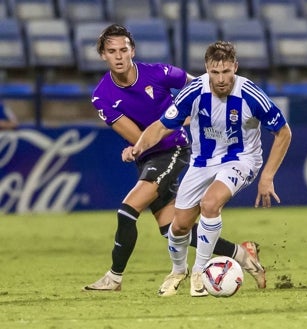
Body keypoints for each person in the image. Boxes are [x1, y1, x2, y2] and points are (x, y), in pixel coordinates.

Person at [82, 25, 266, 292]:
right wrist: (135, 148)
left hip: (174, 148)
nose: (119, 56)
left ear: (132, 50)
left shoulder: (159, 73)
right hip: (148, 155)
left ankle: (114, 278)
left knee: (127, 211)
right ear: (103, 56)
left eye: (124, 49)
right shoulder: (102, 96)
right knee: (174, 229)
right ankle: (242, 254)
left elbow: (202, 88)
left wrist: (192, 117)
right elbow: (137, 136)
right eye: (112, 51)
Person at [127, 41, 292, 297]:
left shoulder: (250, 93)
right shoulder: (194, 91)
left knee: (210, 203)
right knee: (179, 226)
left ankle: (200, 272)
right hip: (202, 161)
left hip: (241, 159)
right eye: (215, 72)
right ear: (206, 69)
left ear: (235, 67)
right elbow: (161, 126)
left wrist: (267, 176)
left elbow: (283, 132)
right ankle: (177, 271)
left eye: (227, 71)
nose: (222, 79)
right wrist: (138, 147)